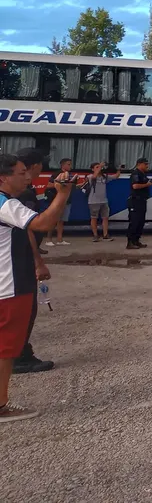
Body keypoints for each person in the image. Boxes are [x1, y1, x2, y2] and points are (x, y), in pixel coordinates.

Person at [0, 152, 73, 422]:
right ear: (3, 177)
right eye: (21, 173)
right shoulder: (6, 204)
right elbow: (41, 223)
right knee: (6, 351)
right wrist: (62, 195)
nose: (28, 177)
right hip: (9, 286)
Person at [12, 148, 53, 375]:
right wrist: (38, 262)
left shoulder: (17, 194)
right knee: (25, 309)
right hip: (22, 259)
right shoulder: (24, 195)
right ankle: (20, 356)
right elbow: (28, 229)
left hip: (18, 257)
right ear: (34, 166)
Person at [84, 162, 120, 243]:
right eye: (96, 167)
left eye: (99, 167)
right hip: (93, 201)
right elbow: (94, 176)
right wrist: (100, 166)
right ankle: (95, 235)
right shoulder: (90, 177)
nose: (99, 169)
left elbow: (115, 177)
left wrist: (119, 169)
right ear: (92, 169)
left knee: (105, 218)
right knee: (94, 218)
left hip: (104, 201)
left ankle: (105, 235)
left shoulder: (104, 177)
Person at [44, 158, 74, 247]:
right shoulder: (57, 174)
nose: (70, 166)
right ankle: (48, 239)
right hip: (57, 200)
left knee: (61, 221)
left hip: (67, 200)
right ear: (63, 165)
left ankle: (60, 239)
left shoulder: (70, 175)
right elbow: (49, 185)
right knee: (53, 220)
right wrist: (60, 184)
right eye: (68, 164)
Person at [126, 158, 152, 251]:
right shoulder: (136, 173)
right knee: (134, 222)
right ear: (139, 164)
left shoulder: (143, 174)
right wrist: (147, 185)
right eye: (145, 164)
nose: (147, 166)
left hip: (142, 201)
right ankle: (130, 242)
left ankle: (136, 241)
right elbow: (135, 186)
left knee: (141, 222)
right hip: (135, 201)